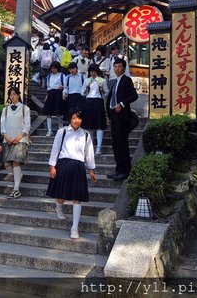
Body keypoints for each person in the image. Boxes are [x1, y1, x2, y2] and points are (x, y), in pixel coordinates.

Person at [46, 109, 97, 239]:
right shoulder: (62, 132)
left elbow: (89, 153)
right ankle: (58, 207)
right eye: (74, 118)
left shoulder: (85, 135)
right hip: (63, 165)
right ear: (70, 119)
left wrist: (91, 169)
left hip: (78, 167)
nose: (76, 121)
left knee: (77, 198)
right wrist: (52, 166)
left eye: (79, 118)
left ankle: (74, 228)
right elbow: (55, 149)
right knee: (61, 197)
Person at [106, 58, 138, 181]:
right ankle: (119, 169)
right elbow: (110, 100)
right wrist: (109, 116)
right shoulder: (115, 82)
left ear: (124, 68)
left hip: (122, 116)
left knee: (122, 143)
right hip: (114, 116)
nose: (117, 69)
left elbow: (134, 95)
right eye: (115, 67)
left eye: (119, 67)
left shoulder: (126, 80)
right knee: (116, 144)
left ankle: (125, 171)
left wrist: (122, 104)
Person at [0, 87, 31, 199]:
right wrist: (6, 136)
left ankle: (16, 189)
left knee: (16, 162)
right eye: (10, 94)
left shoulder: (25, 109)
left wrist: (19, 136)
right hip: (8, 139)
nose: (12, 96)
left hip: (21, 140)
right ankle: (19, 176)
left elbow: (27, 125)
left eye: (14, 94)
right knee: (7, 164)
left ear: (18, 95)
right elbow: (2, 125)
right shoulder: (5, 110)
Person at [81, 64, 108, 155]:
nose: (92, 73)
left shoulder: (102, 80)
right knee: (89, 126)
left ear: (97, 72)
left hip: (98, 102)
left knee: (99, 125)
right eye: (91, 72)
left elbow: (106, 93)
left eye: (94, 71)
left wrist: (102, 89)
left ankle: (98, 148)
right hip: (88, 102)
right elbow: (82, 93)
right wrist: (86, 88)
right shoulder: (87, 80)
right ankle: (90, 147)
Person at [43, 61, 65, 136]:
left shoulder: (62, 75)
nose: (53, 70)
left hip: (58, 94)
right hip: (50, 94)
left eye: (55, 68)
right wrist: (46, 95)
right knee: (48, 113)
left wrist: (62, 88)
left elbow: (65, 85)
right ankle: (49, 130)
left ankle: (60, 127)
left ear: (58, 68)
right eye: (52, 68)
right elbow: (48, 86)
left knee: (58, 112)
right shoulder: (49, 76)